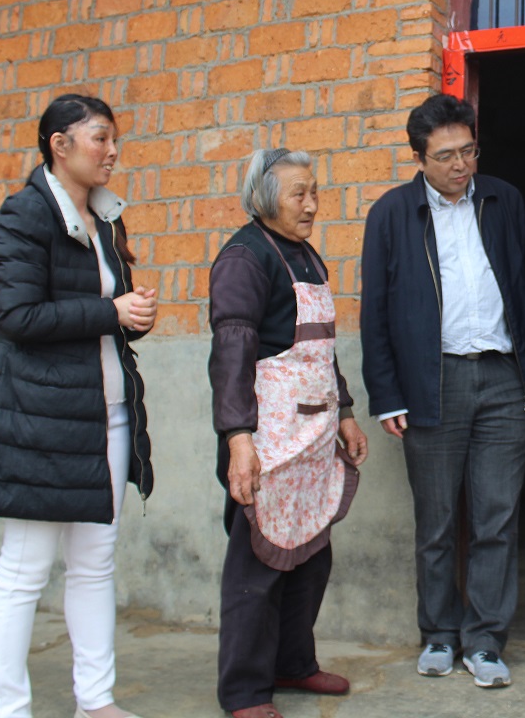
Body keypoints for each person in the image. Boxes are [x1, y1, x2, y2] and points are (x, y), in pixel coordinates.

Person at [0, 93, 158, 718]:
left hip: (106, 413)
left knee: (95, 563)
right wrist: (109, 312)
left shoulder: (106, 217)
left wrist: (133, 317)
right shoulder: (24, 214)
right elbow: (16, 317)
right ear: (59, 145)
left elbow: (105, 315)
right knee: (25, 569)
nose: (112, 151)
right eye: (100, 138)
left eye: (114, 139)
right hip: (39, 417)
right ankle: (7, 709)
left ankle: (96, 701)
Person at [360, 93, 525, 688]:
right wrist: (387, 394)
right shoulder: (392, 214)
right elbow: (376, 312)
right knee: (437, 521)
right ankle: (439, 633)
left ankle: (486, 641)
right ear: (419, 158)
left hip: (503, 380)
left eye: (468, 150)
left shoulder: (503, 199)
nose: (461, 165)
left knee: (497, 519)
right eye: (445, 156)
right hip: (431, 382)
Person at [208, 148, 368, 718]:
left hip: (315, 436)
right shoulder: (245, 258)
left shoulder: (305, 255)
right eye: (299, 193)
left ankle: (293, 663)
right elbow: (231, 352)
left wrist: (345, 412)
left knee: (310, 556)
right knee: (258, 564)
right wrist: (238, 439)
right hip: (269, 439)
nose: (312, 204)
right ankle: (245, 690)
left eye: (314, 192)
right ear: (264, 198)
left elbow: (321, 350)